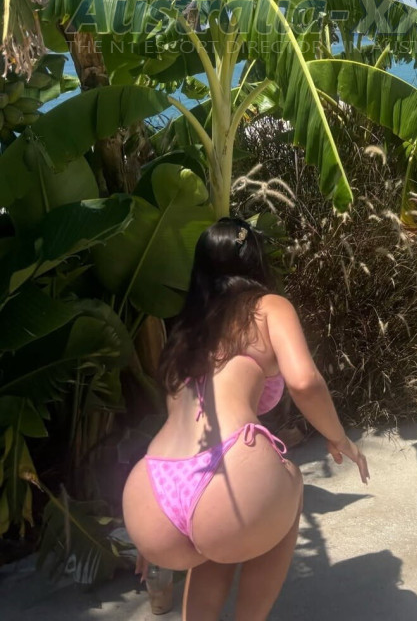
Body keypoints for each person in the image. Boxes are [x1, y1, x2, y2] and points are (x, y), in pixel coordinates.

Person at [123, 218, 369, 621]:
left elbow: (177, 415)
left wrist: (149, 535)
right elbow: (304, 381)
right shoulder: (268, 307)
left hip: (152, 491)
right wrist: (338, 437)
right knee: (292, 480)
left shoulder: (187, 328)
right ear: (255, 259)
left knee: (215, 544)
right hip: (226, 472)